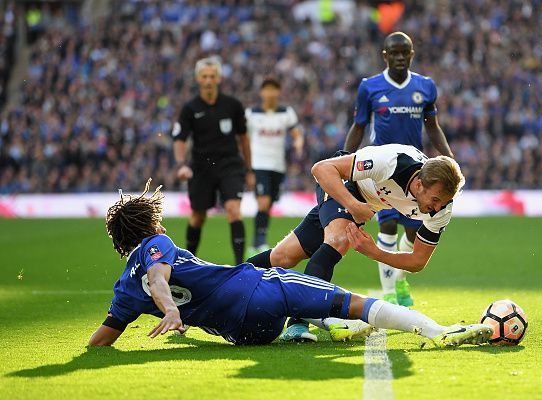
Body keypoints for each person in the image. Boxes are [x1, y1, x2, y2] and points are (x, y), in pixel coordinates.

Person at [88, 180, 492, 348]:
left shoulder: (124, 290)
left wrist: (177, 319)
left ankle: (334, 325)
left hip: (245, 334)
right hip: (258, 290)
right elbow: (159, 277)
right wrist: (172, 308)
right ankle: (436, 331)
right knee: (349, 300)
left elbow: (102, 340)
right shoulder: (156, 245)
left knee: (312, 304)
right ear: (149, 223)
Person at [247, 143, 462, 341]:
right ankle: (298, 323)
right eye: (434, 200)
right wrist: (353, 205)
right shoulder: (390, 162)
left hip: (365, 203)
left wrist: (375, 252)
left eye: (442, 202)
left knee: (283, 257)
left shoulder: (442, 208)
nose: (437, 208)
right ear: (419, 183)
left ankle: (231, 277)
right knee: (338, 240)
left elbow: (418, 261)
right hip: (343, 184)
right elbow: (321, 169)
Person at [343, 32, 454, 307]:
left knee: (413, 236)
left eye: (405, 53)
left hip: (417, 174)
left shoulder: (425, 87)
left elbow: (432, 126)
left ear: (412, 54)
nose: (400, 57)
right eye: (395, 53)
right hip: (384, 173)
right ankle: (389, 291)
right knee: (388, 227)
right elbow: (359, 126)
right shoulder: (370, 87)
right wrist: (345, 158)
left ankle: (399, 280)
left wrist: (449, 159)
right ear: (385, 56)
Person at [172, 57, 254, 265]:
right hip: (201, 167)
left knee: (234, 210)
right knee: (198, 216)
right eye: (204, 76)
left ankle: (240, 266)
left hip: (229, 165)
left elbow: (244, 138)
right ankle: (187, 263)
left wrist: (249, 168)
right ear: (198, 79)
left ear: (218, 78)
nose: (208, 80)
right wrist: (181, 165)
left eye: (212, 76)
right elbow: (180, 139)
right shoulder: (190, 108)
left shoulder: (233, 105)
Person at [245, 77, 303, 255]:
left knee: (269, 204)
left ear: (278, 92)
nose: (270, 93)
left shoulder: (286, 112)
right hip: (258, 164)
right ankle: (259, 243)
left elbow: (296, 133)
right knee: (263, 203)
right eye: (267, 89)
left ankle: (256, 243)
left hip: (278, 166)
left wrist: (298, 142)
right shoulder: (251, 114)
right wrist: (248, 169)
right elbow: (243, 140)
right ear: (261, 92)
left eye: (274, 89)